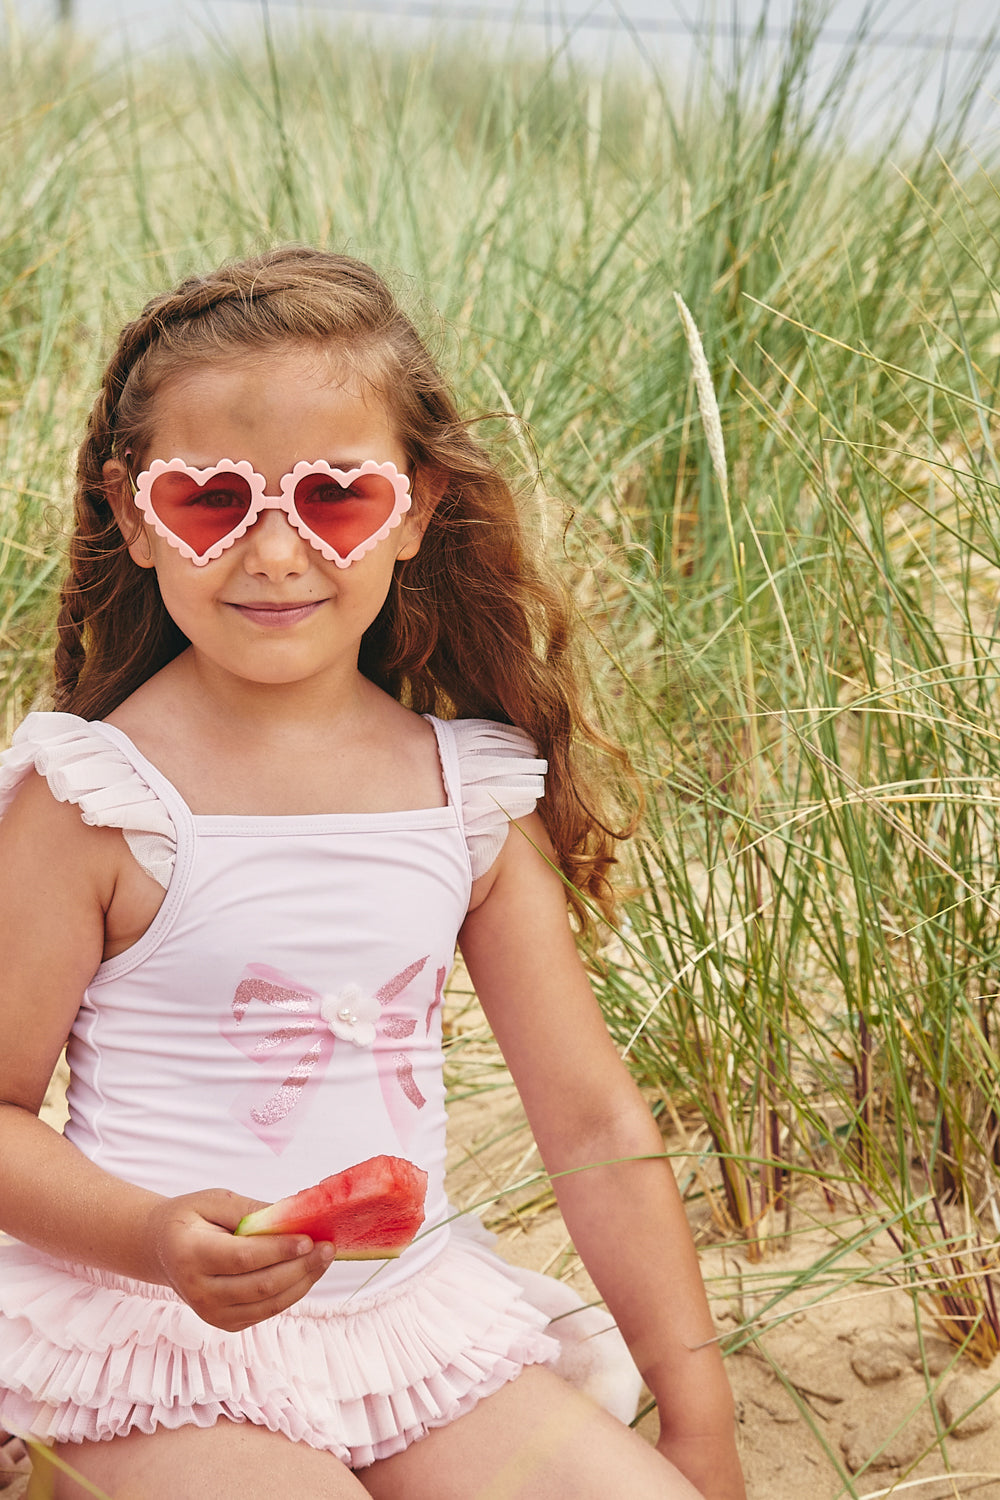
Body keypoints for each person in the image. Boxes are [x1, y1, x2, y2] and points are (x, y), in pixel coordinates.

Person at [0, 248, 745, 1500]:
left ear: (413, 508)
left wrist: (702, 1425)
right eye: (211, 501)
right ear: (136, 515)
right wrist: (152, 1236)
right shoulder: (95, 798)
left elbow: (593, 1126)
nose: (276, 553)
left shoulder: (466, 797)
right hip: (148, 1348)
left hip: (406, 1335)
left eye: (335, 498)